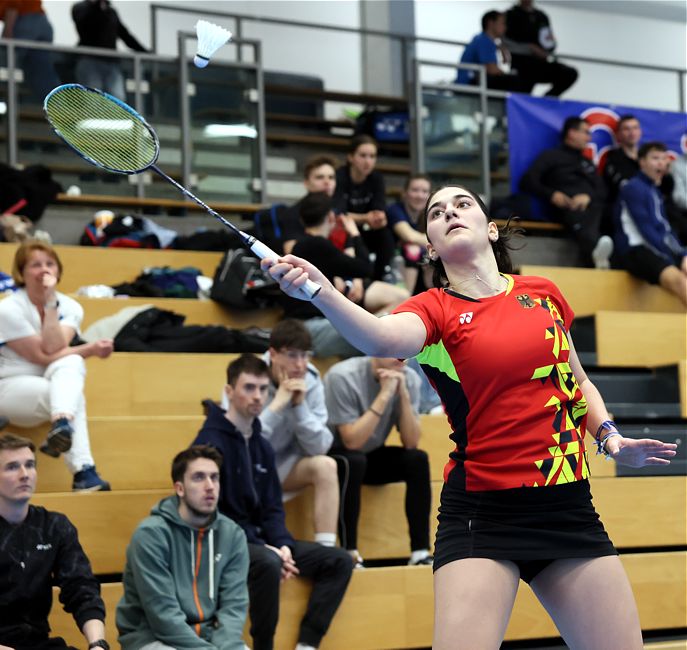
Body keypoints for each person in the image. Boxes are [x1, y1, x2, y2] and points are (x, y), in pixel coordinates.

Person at [262, 183, 677, 650]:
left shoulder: (543, 295)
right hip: (483, 512)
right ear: (432, 247)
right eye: (436, 213)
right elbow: (379, 338)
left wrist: (609, 436)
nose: (449, 213)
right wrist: (320, 291)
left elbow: (577, 382)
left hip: (568, 508)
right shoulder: (434, 310)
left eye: (462, 204)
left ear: (491, 229)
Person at [193, 354, 353, 650]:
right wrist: (267, 548)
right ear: (229, 392)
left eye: (264, 389)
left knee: (339, 560)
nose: (257, 396)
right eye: (249, 388)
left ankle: (307, 644)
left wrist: (282, 544)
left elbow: (272, 508)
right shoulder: (209, 443)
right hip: (221, 543)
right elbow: (213, 515)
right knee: (266, 563)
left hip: (260, 542)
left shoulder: (261, 444)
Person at [0, 241, 112, 491]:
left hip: (51, 384)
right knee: (73, 390)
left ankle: (63, 427)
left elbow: (53, 347)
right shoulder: (6, 309)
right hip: (8, 389)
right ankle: (83, 470)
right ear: (21, 272)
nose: (44, 270)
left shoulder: (71, 306)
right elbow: (43, 354)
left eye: (49, 264)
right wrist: (90, 349)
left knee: (71, 363)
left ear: (59, 271)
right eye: (35, 264)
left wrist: (50, 303)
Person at [220, 319, 339, 548]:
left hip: (282, 468)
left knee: (326, 465)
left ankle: (327, 549)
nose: (300, 364)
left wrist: (298, 408)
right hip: (245, 468)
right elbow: (236, 442)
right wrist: (277, 405)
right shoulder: (247, 377)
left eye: (305, 355)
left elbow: (320, 447)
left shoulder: (311, 381)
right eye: (292, 355)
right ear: (273, 354)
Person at [116, 445, 249, 650]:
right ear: (180, 488)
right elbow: (163, 615)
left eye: (214, 477)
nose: (210, 486)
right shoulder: (151, 535)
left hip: (210, 637)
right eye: (199, 477)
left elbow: (233, 608)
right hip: (152, 638)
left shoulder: (232, 535)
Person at [0, 433, 108, 650]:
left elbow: (81, 587)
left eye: (30, 465)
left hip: (37, 642)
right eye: (12, 467)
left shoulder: (54, 525)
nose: (25, 474)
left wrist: (98, 644)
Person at [324, 356, 432, 569]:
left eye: (405, 349)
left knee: (417, 460)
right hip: (334, 455)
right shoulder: (342, 376)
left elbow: (411, 442)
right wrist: (384, 394)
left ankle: (420, 552)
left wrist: (402, 394)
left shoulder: (409, 378)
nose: (401, 356)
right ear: (373, 350)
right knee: (354, 461)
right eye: (393, 349)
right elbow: (351, 441)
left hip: (370, 454)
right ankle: (349, 551)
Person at [284, 192, 409, 357]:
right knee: (389, 335)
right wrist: (354, 233)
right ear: (331, 217)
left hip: (311, 326)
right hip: (313, 330)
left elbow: (346, 268)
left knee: (397, 307)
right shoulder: (317, 244)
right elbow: (365, 268)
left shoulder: (303, 245)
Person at [520, 116, 614, 268]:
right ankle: (596, 251)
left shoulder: (588, 163)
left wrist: (588, 197)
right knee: (578, 213)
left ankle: (602, 254)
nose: (589, 138)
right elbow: (527, 181)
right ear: (571, 133)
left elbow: (602, 191)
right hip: (565, 208)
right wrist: (552, 194)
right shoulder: (550, 156)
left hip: (593, 208)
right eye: (585, 132)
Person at [613, 142, 687, 306]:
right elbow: (648, 230)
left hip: (653, 249)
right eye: (655, 158)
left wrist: (681, 254)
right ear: (642, 162)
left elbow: (665, 229)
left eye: (664, 158)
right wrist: (678, 257)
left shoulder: (654, 190)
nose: (661, 163)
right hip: (635, 250)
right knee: (680, 281)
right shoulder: (634, 187)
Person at [333, 135, 395, 281]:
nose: (368, 161)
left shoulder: (376, 178)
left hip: (365, 230)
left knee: (386, 236)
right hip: (342, 230)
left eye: (372, 156)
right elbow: (339, 215)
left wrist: (379, 218)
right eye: (363, 156)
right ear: (350, 157)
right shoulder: (339, 177)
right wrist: (366, 218)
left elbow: (378, 210)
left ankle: (378, 279)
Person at [71, 0, 147, 101]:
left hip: (112, 65)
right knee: (93, 101)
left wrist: (145, 52)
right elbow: (85, 28)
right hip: (89, 63)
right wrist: (97, 6)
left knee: (117, 100)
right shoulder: (80, 7)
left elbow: (125, 35)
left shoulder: (111, 12)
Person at [504, 0, 578, 97]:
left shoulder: (541, 16)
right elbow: (504, 41)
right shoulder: (510, 15)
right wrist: (530, 48)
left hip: (540, 63)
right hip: (521, 66)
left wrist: (547, 50)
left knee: (570, 73)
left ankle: (546, 101)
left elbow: (549, 42)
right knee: (522, 96)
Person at [0, 1, 60, 103]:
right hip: (41, 22)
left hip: (24, 20)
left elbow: (13, 4)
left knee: (5, 63)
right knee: (41, 72)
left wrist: (8, 29)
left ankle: (6, 105)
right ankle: (57, 107)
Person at [456, 10, 530, 93]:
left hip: (473, 80)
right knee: (515, 81)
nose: (505, 27)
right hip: (469, 83)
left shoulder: (482, 39)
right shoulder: (484, 40)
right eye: (502, 23)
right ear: (491, 23)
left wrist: (502, 48)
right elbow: (491, 69)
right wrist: (507, 74)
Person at [280, 155, 339, 255]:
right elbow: (290, 251)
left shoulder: (337, 209)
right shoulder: (293, 213)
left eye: (331, 177)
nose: (327, 182)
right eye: (320, 177)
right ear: (306, 183)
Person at [386, 174, 432, 293]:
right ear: (405, 193)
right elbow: (409, 236)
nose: (420, 195)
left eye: (424, 191)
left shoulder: (429, 214)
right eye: (415, 190)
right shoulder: (394, 209)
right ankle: (405, 301)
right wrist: (437, 241)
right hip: (392, 264)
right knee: (413, 250)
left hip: (420, 268)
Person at [603, 114, 643, 204]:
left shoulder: (647, 156)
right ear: (618, 134)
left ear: (640, 131)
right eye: (626, 129)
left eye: (635, 128)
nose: (632, 133)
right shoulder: (613, 158)